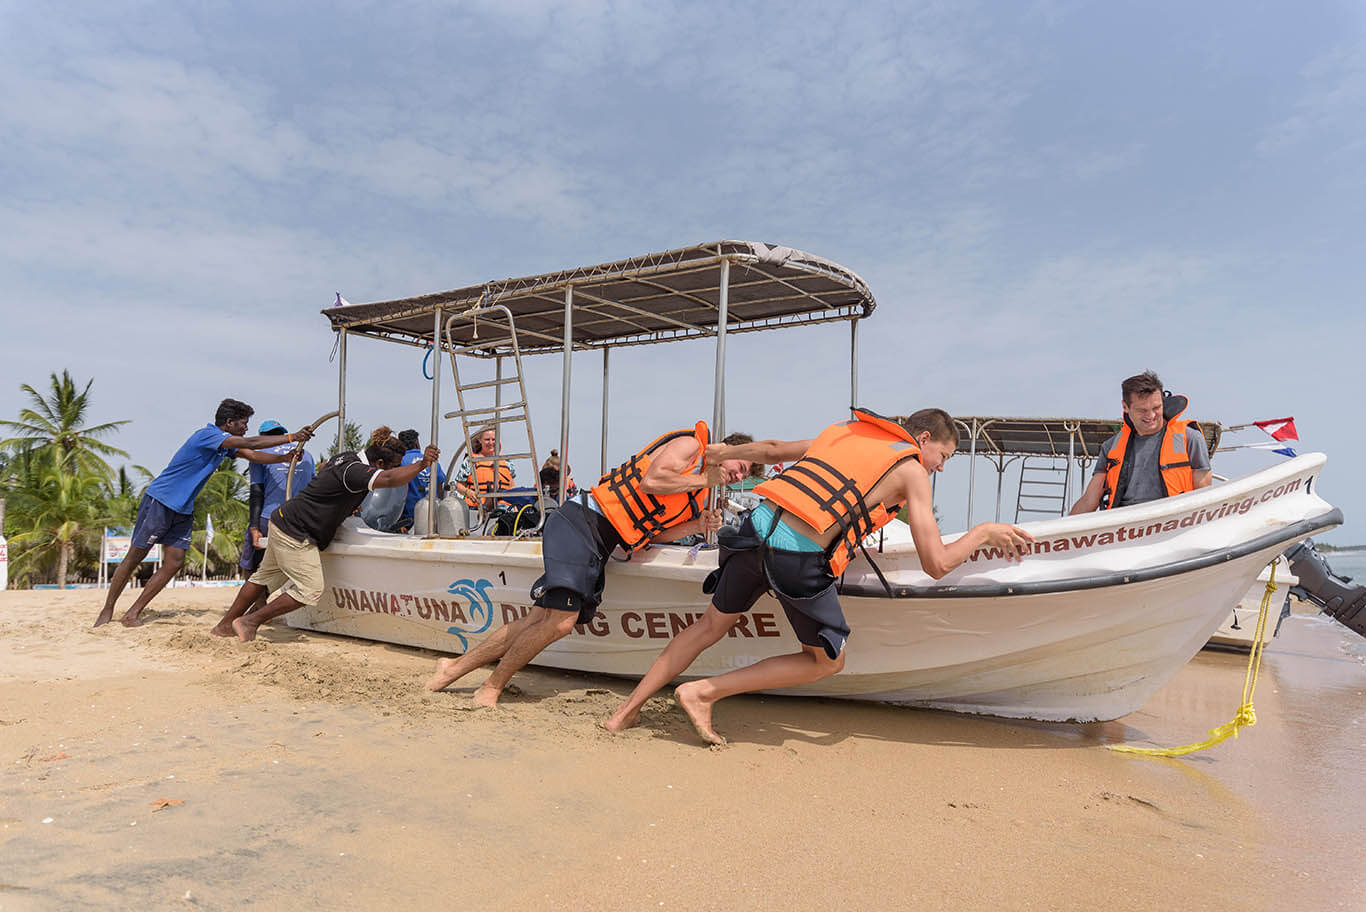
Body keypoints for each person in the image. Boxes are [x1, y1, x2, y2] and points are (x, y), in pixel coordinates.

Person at [603, 407, 1035, 743]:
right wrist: (983, 532)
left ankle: (624, 713)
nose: (940, 467)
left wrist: (724, 453)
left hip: (752, 533)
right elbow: (937, 564)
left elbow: (771, 450)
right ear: (923, 439)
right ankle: (702, 692)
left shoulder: (845, 431)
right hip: (796, 557)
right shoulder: (911, 470)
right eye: (943, 456)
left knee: (708, 627)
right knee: (827, 660)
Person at [424, 422, 774, 706]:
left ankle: (452, 668)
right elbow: (652, 481)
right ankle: (491, 687)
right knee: (561, 623)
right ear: (726, 451)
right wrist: (704, 480)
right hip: (582, 521)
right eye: (738, 466)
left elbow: (656, 532)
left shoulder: (700, 488)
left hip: (600, 542)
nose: (736, 476)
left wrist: (698, 526)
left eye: (743, 475)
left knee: (538, 619)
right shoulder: (691, 447)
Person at [93, 399, 312, 628]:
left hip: (184, 508)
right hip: (161, 500)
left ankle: (132, 613)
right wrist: (292, 437)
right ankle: (107, 608)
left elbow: (254, 455)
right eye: (243, 423)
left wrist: (283, 458)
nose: (246, 427)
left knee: (174, 562)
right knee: (135, 556)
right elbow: (252, 442)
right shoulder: (206, 435)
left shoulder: (225, 445)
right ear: (229, 423)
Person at [210, 429, 439, 641]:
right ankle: (250, 621)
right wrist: (421, 465)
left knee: (263, 579)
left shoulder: (346, 457)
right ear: (379, 463)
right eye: (393, 465)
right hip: (298, 531)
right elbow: (387, 480)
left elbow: (327, 479)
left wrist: (345, 505)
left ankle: (224, 626)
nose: (392, 470)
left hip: (283, 519)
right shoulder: (354, 470)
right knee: (310, 589)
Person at [1068, 371, 1212, 514]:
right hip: (1125, 526)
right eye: (1142, 410)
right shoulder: (1111, 447)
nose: (1151, 416)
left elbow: (1204, 494)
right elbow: (1089, 501)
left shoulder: (1190, 439)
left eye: (1156, 408)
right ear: (1125, 407)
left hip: (1173, 521)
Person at [453, 425, 516, 512]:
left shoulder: (507, 461)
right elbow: (459, 485)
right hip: (477, 509)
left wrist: (515, 505)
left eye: (493, 439)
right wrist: (468, 492)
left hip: (504, 509)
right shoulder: (471, 461)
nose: (491, 443)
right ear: (480, 440)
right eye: (487, 440)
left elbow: (512, 486)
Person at [397, 428, 447, 531]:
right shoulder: (433, 462)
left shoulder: (399, 462)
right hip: (432, 518)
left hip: (407, 521)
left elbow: (396, 495)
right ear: (417, 443)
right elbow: (440, 491)